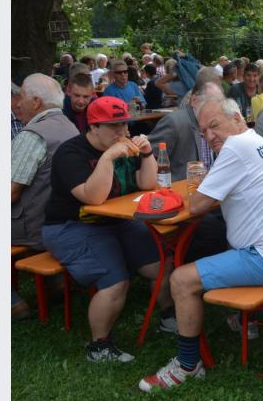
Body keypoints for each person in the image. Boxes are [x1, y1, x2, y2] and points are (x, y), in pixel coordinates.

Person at [138, 94, 263, 391]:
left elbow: (197, 205)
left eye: (214, 125)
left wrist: (194, 192)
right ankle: (247, 321)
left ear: (237, 118)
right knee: (222, 240)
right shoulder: (255, 140)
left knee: (181, 279)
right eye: (204, 131)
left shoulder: (236, 147)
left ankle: (187, 365)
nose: (209, 135)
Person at [41, 96, 175, 362]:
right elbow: (94, 198)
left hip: (117, 221)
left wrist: (147, 153)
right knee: (115, 281)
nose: (122, 132)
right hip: (71, 226)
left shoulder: (124, 145)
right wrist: (107, 159)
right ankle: (99, 346)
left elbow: (147, 184)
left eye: (124, 125)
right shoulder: (71, 153)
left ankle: (169, 318)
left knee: (164, 263)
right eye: (113, 127)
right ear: (93, 127)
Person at [12, 73, 80, 319]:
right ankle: (57, 285)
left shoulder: (32, 135)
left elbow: (10, 193)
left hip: (32, 226)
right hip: (64, 222)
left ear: (37, 102)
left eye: (21, 96)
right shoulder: (69, 126)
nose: (17, 102)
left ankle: (12, 303)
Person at [148, 80, 220, 181]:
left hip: (211, 185)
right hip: (181, 189)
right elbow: (148, 158)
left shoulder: (215, 123)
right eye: (212, 102)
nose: (217, 107)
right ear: (194, 101)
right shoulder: (174, 122)